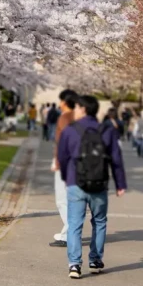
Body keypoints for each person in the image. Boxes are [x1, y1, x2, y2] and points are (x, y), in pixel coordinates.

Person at [57, 95, 127, 279]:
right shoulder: (107, 130)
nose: (76, 111)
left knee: (74, 224)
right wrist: (120, 184)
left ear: (83, 109)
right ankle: (95, 260)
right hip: (99, 183)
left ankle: (74, 264)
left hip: (75, 183)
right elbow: (116, 159)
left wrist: (66, 177)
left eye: (78, 108)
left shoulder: (70, 130)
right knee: (100, 221)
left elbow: (62, 157)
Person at [50, 89, 78, 248]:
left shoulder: (64, 118)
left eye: (61, 101)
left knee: (62, 200)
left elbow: (63, 142)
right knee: (72, 200)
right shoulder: (79, 116)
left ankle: (68, 233)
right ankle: (70, 231)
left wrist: (57, 162)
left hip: (65, 162)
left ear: (65, 102)